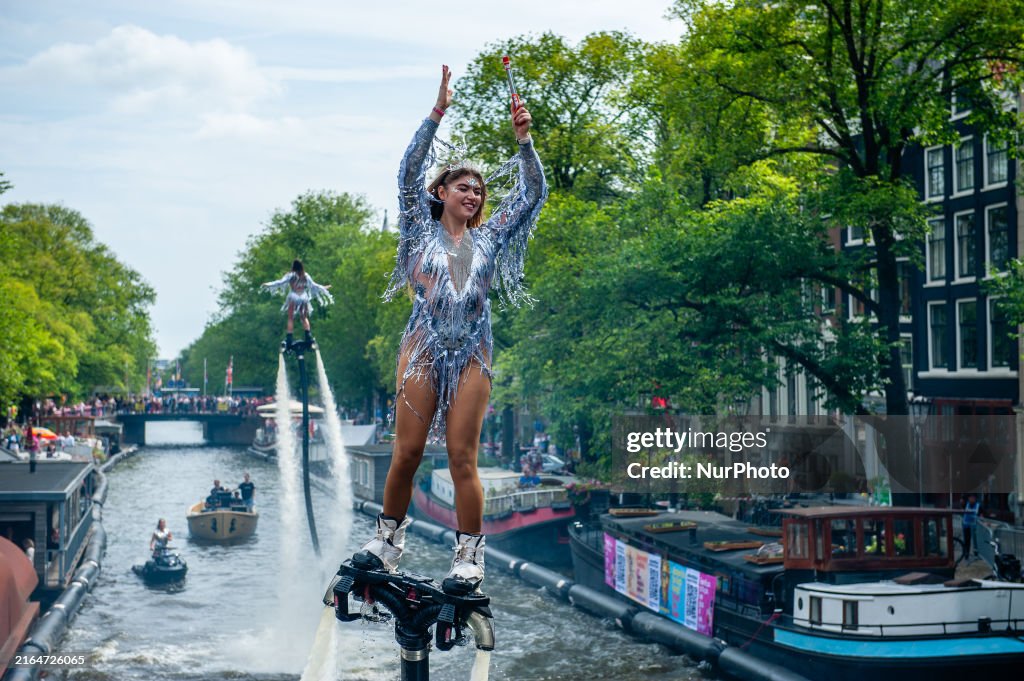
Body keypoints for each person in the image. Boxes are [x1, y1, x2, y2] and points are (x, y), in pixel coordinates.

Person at [352, 64, 546, 595]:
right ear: (440, 191)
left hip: (474, 353)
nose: (476, 195)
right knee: (406, 453)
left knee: (463, 457)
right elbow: (408, 168)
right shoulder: (417, 225)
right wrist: (437, 112)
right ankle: (387, 543)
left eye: (481, 191)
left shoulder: (491, 240)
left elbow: (532, 192)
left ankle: (468, 558)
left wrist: (524, 141)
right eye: (465, 186)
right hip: (423, 347)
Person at [260, 259, 333, 349]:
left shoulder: (290, 275)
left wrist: (268, 284)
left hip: (294, 296)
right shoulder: (305, 275)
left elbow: (279, 282)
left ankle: (289, 338)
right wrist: (324, 287)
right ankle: (308, 336)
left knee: (291, 318)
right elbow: (314, 285)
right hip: (303, 297)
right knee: (304, 317)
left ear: (293, 266)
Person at [962, 493, 980, 561]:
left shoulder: (978, 506)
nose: (971, 499)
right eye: (970, 498)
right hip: (966, 525)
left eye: (973, 498)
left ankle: (976, 554)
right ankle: (966, 554)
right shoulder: (965, 505)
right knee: (967, 540)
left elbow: (982, 514)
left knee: (976, 540)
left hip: (975, 526)